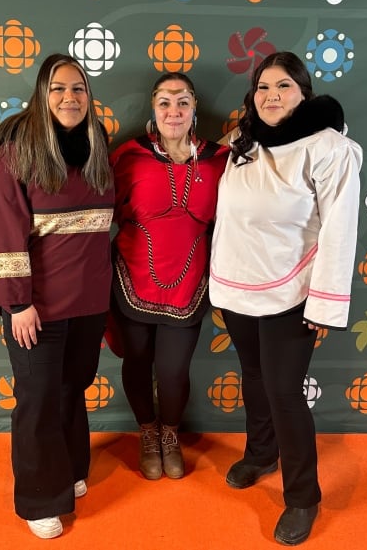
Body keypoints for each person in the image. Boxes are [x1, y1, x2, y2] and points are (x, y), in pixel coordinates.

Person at [209, 52, 362, 545]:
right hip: (238, 285)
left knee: (284, 390)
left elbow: (340, 230)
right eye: (262, 87)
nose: (271, 95)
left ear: (304, 93)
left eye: (283, 86)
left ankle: (302, 497)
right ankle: (260, 452)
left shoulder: (328, 148)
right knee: (252, 376)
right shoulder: (242, 140)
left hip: (292, 291)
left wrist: (324, 304)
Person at [0, 53, 114, 540]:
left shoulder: (97, 142)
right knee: (37, 400)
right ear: (42, 94)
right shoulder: (14, 150)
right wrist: (17, 304)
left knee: (71, 389)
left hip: (90, 302)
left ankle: (70, 468)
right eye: (58, 88)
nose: (69, 97)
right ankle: (40, 497)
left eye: (78, 88)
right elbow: (4, 231)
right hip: (37, 307)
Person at [107, 72, 229, 480]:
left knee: (175, 370)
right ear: (152, 109)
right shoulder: (127, 156)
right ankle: (147, 433)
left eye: (182, 101)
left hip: (190, 286)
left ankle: (170, 434)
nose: (173, 110)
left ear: (195, 107)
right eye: (164, 101)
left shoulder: (219, 160)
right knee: (138, 363)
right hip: (133, 280)